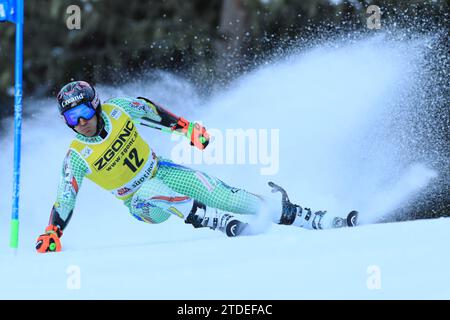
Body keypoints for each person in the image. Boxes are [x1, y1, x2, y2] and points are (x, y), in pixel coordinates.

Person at [36, 81, 358, 253]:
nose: (79, 124)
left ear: (95, 106)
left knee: (226, 195)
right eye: (69, 118)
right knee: (150, 191)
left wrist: (187, 129)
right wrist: (54, 230)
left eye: (82, 114)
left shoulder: (118, 110)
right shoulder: (77, 155)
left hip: (162, 170)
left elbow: (151, 111)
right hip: (141, 203)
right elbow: (66, 197)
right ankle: (216, 222)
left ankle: (307, 217)